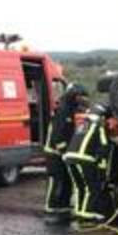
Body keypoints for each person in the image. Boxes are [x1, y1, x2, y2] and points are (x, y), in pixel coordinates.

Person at [42, 84, 88, 224]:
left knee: (67, 180)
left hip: (64, 152)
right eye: (80, 96)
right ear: (73, 95)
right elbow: (58, 135)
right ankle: (51, 208)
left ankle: (63, 207)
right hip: (54, 153)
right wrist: (63, 151)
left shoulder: (71, 109)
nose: (82, 100)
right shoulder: (63, 110)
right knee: (56, 180)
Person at [63, 103, 115, 224]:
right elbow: (104, 144)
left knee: (79, 186)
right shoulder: (99, 125)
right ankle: (87, 213)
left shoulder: (83, 124)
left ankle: (79, 211)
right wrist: (102, 162)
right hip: (84, 159)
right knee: (91, 187)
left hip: (70, 158)